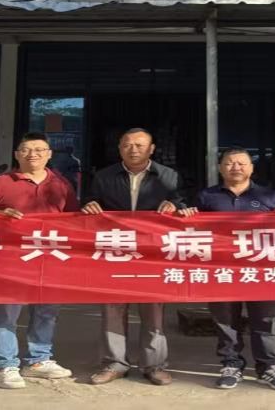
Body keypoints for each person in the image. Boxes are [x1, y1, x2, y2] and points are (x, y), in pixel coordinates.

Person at [178, 148, 275, 391]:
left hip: (260, 270)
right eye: (230, 163)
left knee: (264, 319)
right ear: (220, 168)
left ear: (251, 168)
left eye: (241, 163)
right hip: (221, 270)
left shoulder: (269, 196)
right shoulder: (207, 197)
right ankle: (231, 365)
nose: (236, 167)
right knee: (225, 320)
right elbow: (193, 229)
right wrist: (187, 215)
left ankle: (268, 367)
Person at [0, 132, 78, 389]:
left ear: (49, 154)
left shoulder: (61, 184)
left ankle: (38, 360)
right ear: (17, 154)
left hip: (49, 257)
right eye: (27, 149)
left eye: (39, 150)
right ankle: (4, 364)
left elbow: (74, 219)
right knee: (6, 313)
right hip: (10, 259)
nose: (33, 154)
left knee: (46, 312)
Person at [82, 128, 185, 386]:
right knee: (113, 307)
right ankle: (114, 363)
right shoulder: (104, 176)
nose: (133, 149)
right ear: (119, 149)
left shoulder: (168, 176)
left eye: (139, 145)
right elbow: (89, 202)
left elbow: (183, 204)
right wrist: (89, 206)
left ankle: (154, 365)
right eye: (127, 145)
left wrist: (175, 206)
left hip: (152, 252)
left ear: (152, 149)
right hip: (116, 249)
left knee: (153, 309)